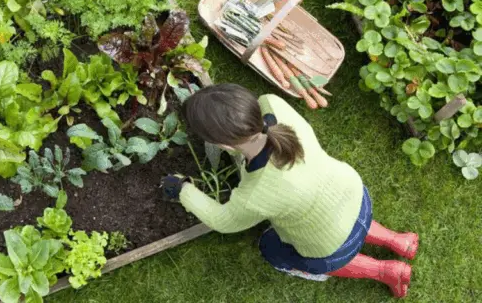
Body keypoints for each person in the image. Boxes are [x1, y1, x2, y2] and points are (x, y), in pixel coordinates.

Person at [160, 84, 419, 298]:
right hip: (354, 195)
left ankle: (385, 270)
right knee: (339, 216)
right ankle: (398, 240)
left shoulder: (256, 194)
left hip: (331, 244)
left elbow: (223, 221)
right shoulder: (273, 105)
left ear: (222, 144)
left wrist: (183, 189)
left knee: (271, 248)